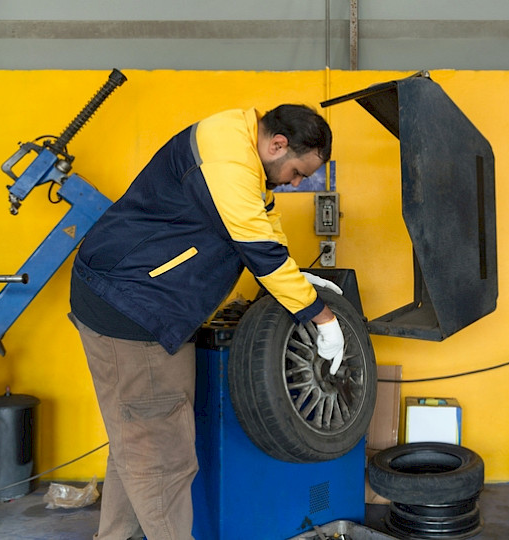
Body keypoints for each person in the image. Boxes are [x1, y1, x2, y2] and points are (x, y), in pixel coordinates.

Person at [68, 104, 345, 540]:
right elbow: (256, 245)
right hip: (134, 309)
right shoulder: (228, 163)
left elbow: (263, 221)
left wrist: (291, 272)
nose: (295, 182)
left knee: (137, 441)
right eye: (296, 171)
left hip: (125, 293)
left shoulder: (235, 139)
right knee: (164, 457)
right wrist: (320, 315)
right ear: (277, 144)